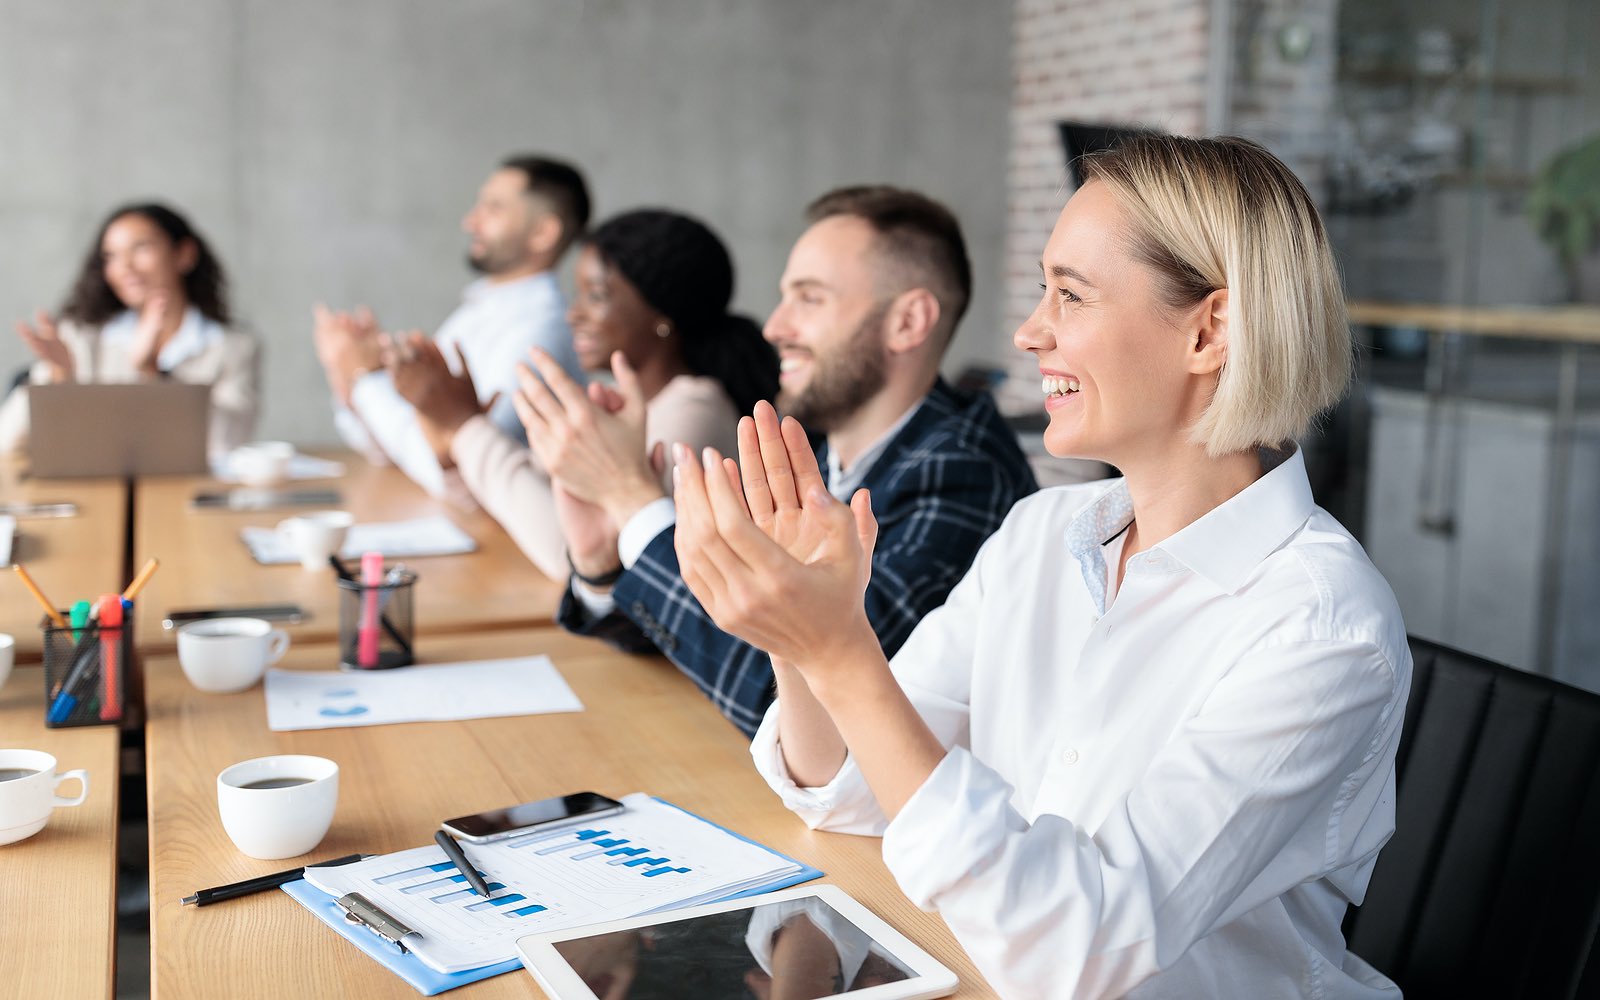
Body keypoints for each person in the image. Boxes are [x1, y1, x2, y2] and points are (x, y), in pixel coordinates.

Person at [669, 135, 1411, 998]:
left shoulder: (1320, 627)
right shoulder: (1041, 534)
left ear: (1209, 331)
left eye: (1071, 293)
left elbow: (1080, 949)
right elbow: (850, 794)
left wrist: (839, 651)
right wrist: (795, 635)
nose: (1029, 331)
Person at [518, 186, 1037, 736]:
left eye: (809, 299)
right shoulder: (812, 449)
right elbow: (692, 624)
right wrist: (602, 561)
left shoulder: (965, 474)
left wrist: (631, 499)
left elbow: (805, 706)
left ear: (907, 322)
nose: (774, 327)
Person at [385, 208, 778, 580]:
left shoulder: (694, 410)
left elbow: (575, 555)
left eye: (596, 295)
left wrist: (465, 425)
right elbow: (504, 503)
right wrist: (446, 429)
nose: (574, 313)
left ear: (661, 316)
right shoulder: (619, 401)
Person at [313, 154, 588, 498]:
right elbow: (390, 452)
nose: (470, 221)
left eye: (494, 208)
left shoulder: (541, 333)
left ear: (543, 232)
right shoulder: (476, 313)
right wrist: (348, 377)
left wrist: (365, 378)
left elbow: (452, 473)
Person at [0, 202, 258, 457]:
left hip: (184, 494)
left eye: (141, 248)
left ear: (185, 254)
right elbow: (6, 439)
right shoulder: (81, 338)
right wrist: (60, 378)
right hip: (95, 495)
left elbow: (229, 442)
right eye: (110, 256)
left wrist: (154, 375)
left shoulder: (232, 346)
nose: (125, 267)